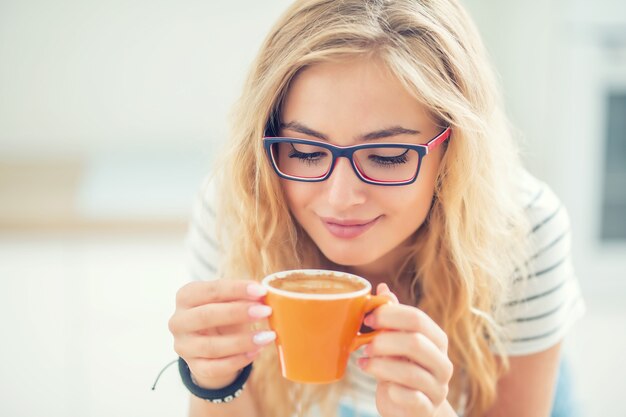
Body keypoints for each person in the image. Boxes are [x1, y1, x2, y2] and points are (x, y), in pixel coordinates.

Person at [167, 1, 586, 416]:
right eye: (306, 150)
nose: (340, 197)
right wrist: (214, 381)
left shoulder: (523, 231)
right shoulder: (241, 202)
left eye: (387, 156)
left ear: (454, 151)